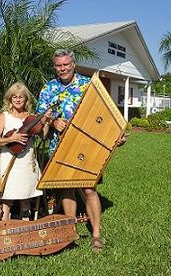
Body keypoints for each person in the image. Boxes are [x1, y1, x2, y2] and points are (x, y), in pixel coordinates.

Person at [36, 49, 126, 252]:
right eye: (59, 65)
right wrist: (53, 120)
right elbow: (40, 117)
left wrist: (115, 135)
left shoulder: (88, 85)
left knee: (89, 189)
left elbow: (104, 113)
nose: (63, 68)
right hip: (60, 147)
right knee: (67, 188)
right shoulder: (48, 88)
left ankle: (96, 235)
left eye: (66, 64)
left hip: (88, 147)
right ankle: (70, 233)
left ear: (73, 64)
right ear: (55, 67)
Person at [0, 82, 44, 221]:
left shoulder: (31, 118)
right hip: (9, 161)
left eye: (21, 97)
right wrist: (11, 138)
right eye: (14, 96)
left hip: (27, 161)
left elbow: (43, 136)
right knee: (7, 197)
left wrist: (46, 120)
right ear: (10, 99)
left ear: (26, 99)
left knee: (26, 196)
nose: (17, 99)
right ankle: (5, 228)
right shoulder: (4, 116)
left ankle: (25, 227)